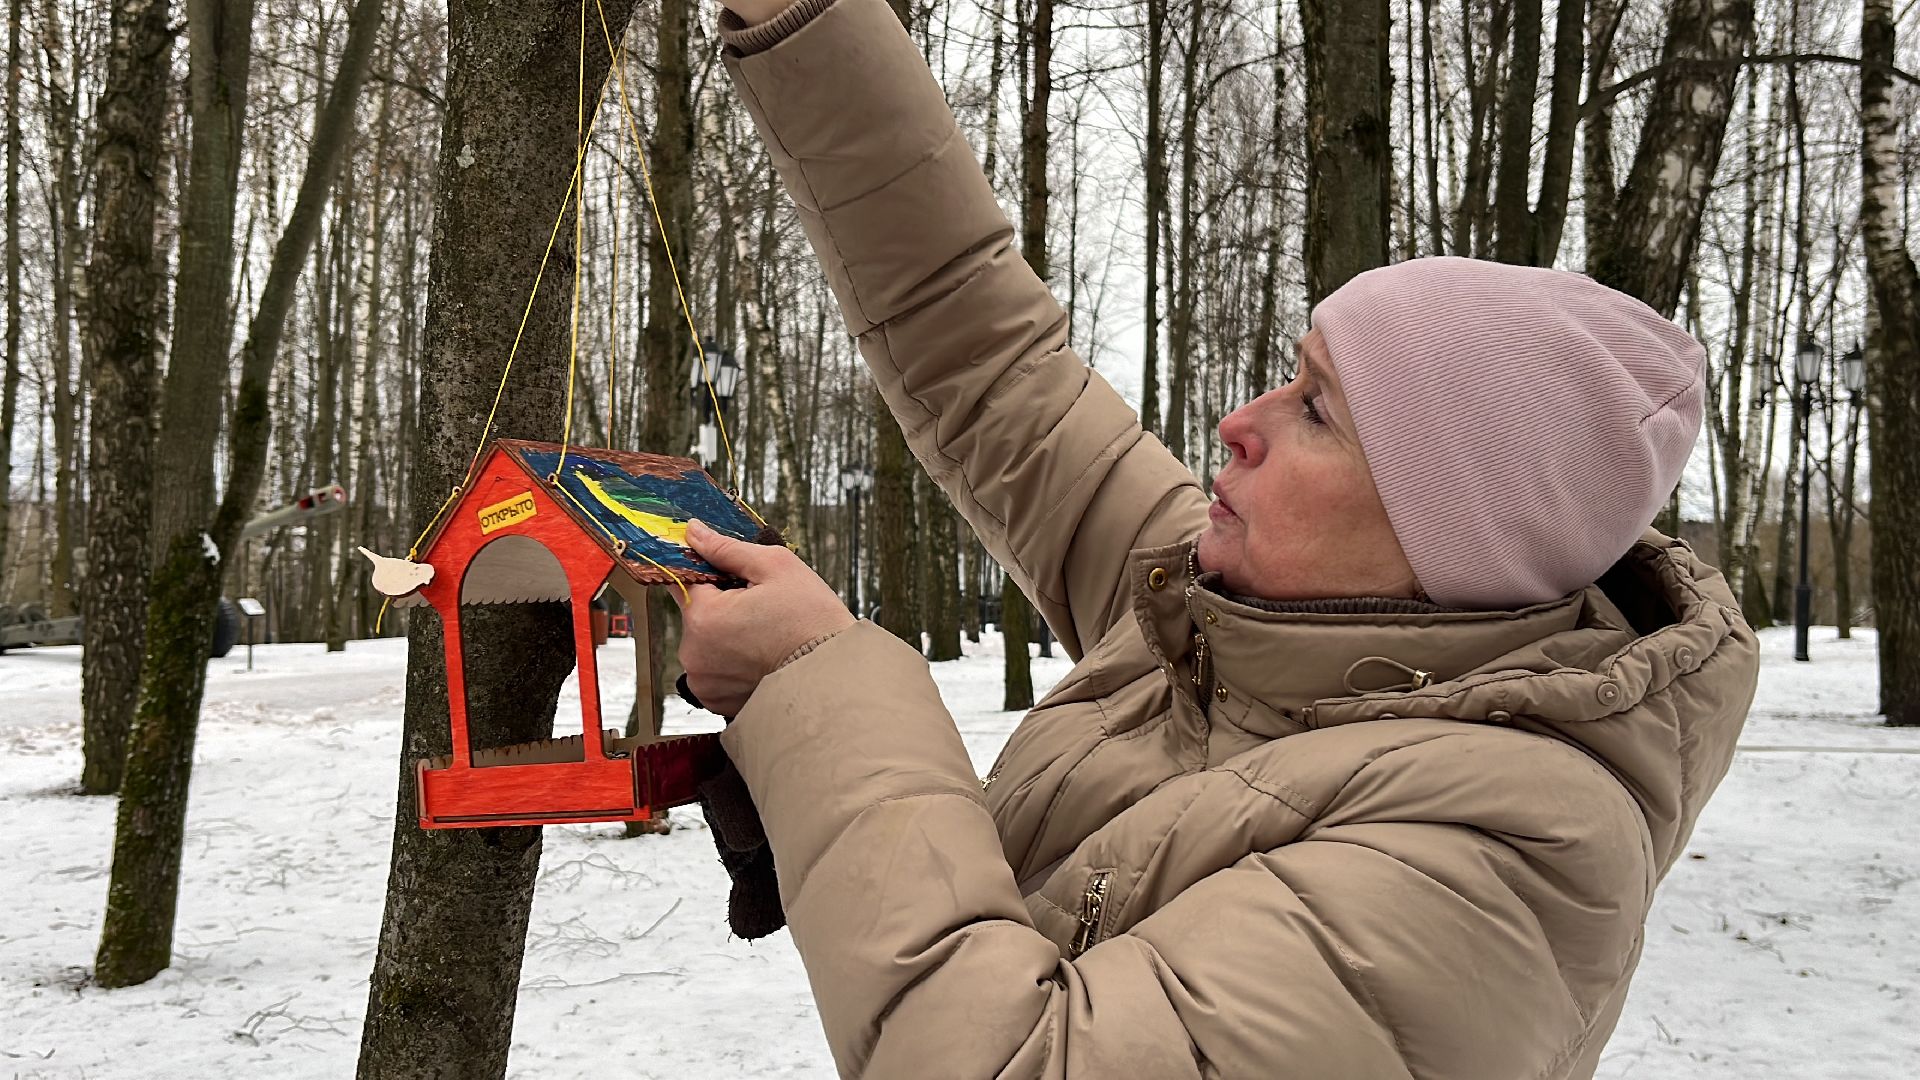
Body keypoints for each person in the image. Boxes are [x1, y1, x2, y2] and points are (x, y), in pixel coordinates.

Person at [670, 0, 1762, 1075]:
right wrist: (808, 23)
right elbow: (985, 355)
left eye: (1318, 409)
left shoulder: (1504, 858)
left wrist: (821, 684)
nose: (1241, 423)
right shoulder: (1219, 611)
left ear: (1452, 536)